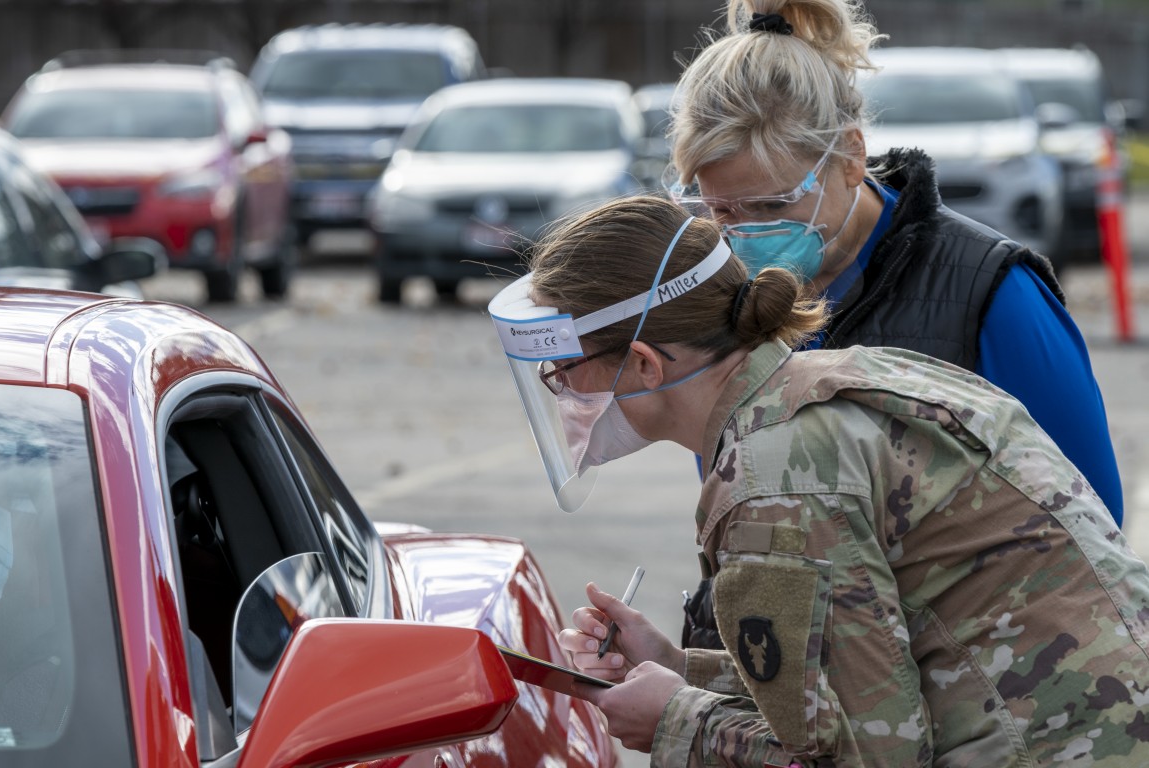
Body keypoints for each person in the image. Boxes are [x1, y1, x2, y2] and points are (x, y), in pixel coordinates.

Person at [486, 195, 1149, 767]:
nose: (564, 392)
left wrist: (674, 722)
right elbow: (870, 670)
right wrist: (678, 667)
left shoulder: (774, 478)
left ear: (644, 364)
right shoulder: (854, 377)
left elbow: (868, 756)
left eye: (564, 370)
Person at [663, 0, 1124, 526]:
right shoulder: (725, 305)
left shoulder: (991, 293)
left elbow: (1093, 521)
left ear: (851, 155)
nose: (745, 235)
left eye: (774, 204)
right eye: (719, 210)